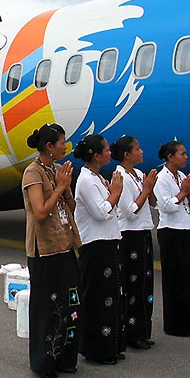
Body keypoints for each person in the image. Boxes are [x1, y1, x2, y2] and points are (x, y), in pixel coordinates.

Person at [22, 123, 82, 378]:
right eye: (61, 142)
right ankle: (44, 362)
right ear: (49, 146)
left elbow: (71, 206)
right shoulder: (32, 172)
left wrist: (66, 187)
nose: (65, 147)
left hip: (64, 245)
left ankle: (66, 358)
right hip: (44, 250)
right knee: (48, 308)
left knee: (70, 303)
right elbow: (40, 212)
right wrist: (58, 187)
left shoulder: (57, 170)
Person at [73, 134, 125, 365]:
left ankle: (110, 345)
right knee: (96, 298)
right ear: (96, 155)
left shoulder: (98, 178)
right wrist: (116, 192)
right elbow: (101, 212)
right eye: (106, 150)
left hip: (107, 241)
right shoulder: (86, 180)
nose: (110, 153)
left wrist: (113, 193)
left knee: (110, 297)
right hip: (95, 245)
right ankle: (96, 349)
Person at [111, 136, 158, 349]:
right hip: (129, 235)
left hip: (143, 232)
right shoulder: (120, 176)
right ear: (127, 155)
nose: (142, 152)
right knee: (131, 285)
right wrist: (146, 190)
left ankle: (143, 329)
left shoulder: (138, 174)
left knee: (144, 284)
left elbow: (153, 203)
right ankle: (131, 333)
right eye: (137, 149)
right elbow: (130, 211)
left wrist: (150, 189)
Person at [154, 141, 190, 337]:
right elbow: (167, 206)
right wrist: (183, 191)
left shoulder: (182, 176)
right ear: (170, 157)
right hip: (171, 232)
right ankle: (175, 325)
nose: (186, 157)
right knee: (175, 279)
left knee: (189, 277)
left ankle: (189, 322)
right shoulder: (161, 178)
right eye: (182, 153)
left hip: (186, 230)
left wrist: (188, 191)